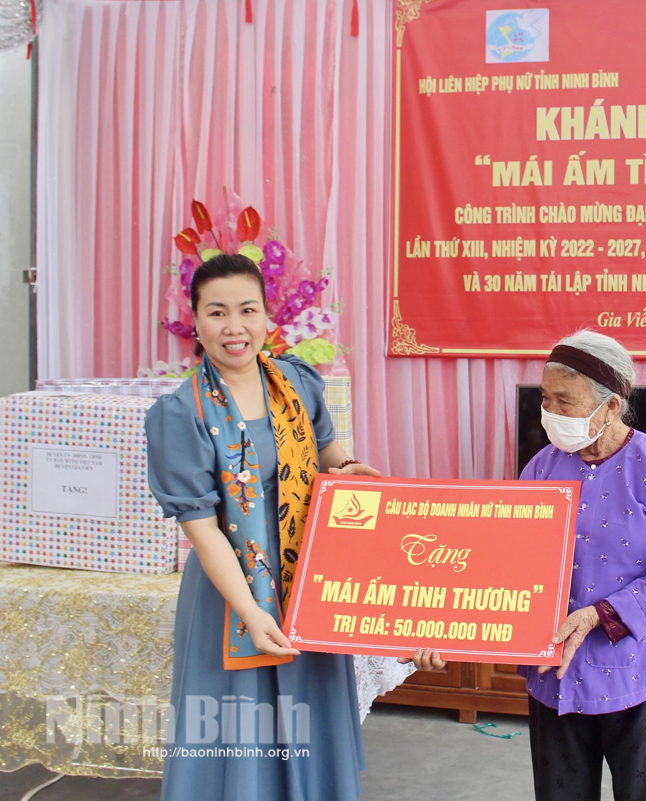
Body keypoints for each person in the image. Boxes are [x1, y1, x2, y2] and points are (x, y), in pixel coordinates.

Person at [146, 253, 383, 800]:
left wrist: (346, 469)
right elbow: (203, 530)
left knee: (310, 715)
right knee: (239, 733)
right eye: (217, 313)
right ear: (195, 321)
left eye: (247, 310)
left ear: (267, 317)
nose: (234, 327)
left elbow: (325, 448)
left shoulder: (296, 381)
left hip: (309, 583)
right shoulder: (180, 413)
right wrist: (252, 613)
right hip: (230, 596)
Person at [518, 330, 646, 801]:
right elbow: (517, 561)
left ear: (611, 406)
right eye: (545, 398)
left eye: (565, 400)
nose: (550, 411)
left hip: (638, 672)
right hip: (556, 673)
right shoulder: (541, 468)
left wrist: (600, 614)